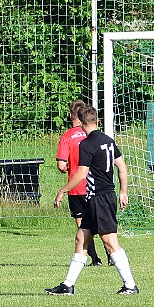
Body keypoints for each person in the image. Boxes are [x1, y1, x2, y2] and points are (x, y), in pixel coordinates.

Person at [47, 105, 138, 296]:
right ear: (97, 121)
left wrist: (62, 190)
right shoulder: (108, 141)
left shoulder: (86, 144)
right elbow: (122, 167)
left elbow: (81, 174)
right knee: (81, 238)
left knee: (110, 242)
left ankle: (130, 285)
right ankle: (68, 285)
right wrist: (123, 191)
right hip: (98, 198)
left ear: (80, 123)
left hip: (99, 198)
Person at [56, 99, 107, 266]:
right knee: (101, 223)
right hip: (95, 187)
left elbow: (61, 165)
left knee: (82, 226)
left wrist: (70, 167)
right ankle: (111, 257)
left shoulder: (66, 137)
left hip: (76, 188)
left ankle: (95, 259)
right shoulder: (93, 135)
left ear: (72, 115)